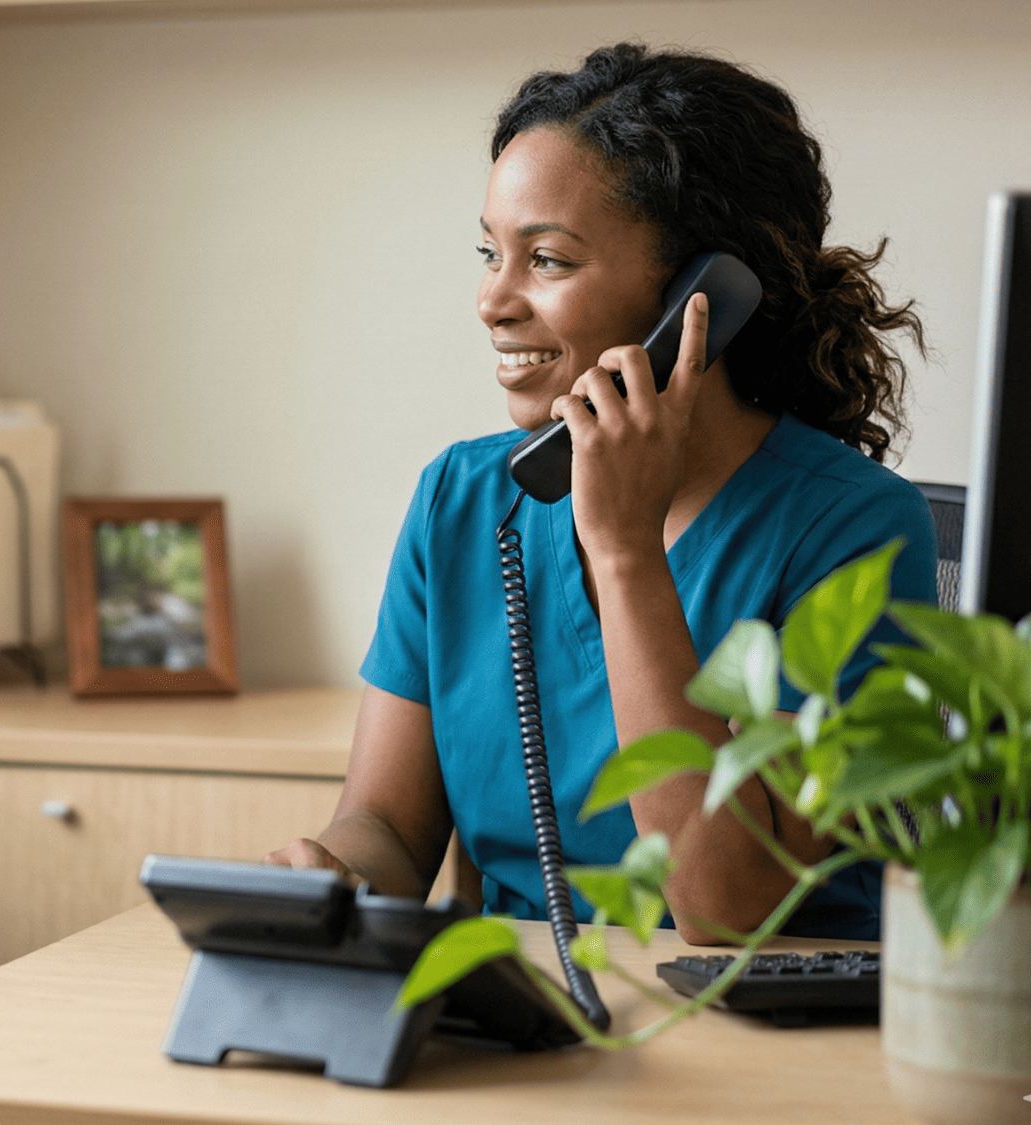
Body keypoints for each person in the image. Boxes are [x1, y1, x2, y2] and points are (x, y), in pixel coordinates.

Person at [269, 43, 935, 945]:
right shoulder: (462, 500)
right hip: (526, 1023)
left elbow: (729, 905)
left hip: (765, 1040)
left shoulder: (854, 528)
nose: (491, 300)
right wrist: (340, 874)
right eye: (490, 252)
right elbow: (389, 824)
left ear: (704, 296)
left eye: (545, 260)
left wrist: (623, 550)